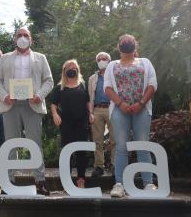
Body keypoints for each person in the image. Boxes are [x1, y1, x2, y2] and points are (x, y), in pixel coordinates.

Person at [0, 27, 54, 195]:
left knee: (35, 143)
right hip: (10, 105)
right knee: (11, 144)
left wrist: (39, 95)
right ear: (14, 39)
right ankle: (9, 181)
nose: (22, 37)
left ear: (31, 39)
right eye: (19, 35)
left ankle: (40, 181)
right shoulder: (4, 58)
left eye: (26, 35)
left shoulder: (41, 58)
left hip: (32, 105)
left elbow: (49, 81)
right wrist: (4, 96)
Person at [104, 34, 158, 198]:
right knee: (121, 147)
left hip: (141, 109)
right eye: (123, 42)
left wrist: (141, 103)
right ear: (118, 47)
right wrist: (121, 104)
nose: (126, 44)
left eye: (130, 42)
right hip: (120, 110)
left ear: (135, 46)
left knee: (143, 145)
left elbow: (152, 84)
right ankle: (119, 184)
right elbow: (107, 88)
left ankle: (148, 183)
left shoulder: (145, 62)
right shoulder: (112, 65)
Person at [50, 59, 91, 188]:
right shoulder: (59, 87)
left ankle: (81, 179)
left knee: (81, 152)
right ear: (64, 71)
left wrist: (91, 113)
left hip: (82, 123)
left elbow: (88, 102)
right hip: (66, 124)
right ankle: (67, 181)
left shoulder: (84, 85)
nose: (71, 68)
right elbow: (53, 104)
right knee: (67, 151)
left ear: (78, 69)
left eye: (74, 66)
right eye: (68, 67)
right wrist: (55, 114)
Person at [88, 52, 116, 177]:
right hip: (97, 110)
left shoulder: (115, 74)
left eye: (104, 59)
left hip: (113, 108)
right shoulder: (92, 78)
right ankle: (99, 166)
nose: (101, 61)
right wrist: (90, 112)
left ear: (109, 61)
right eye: (99, 59)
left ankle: (116, 165)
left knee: (115, 139)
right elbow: (89, 97)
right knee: (97, 140)